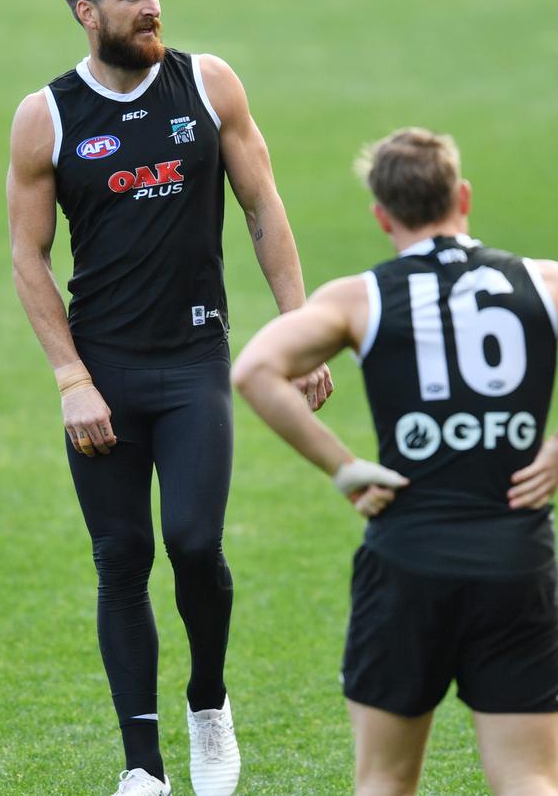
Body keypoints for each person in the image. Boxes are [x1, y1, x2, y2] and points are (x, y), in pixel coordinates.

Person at [7, 0, 334, 795]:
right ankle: (142, 765)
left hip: (193, 359)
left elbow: (263, 207)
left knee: (193, 543)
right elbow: (27, 257)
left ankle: (208, 704)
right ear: (88, 14)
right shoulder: (46, 116)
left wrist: (298, 334)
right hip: (103, 372)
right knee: (121, 557)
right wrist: (72, 379)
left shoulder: (208, 83)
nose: (153, 7)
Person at [232, 127, 558, 796]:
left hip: (407, 558)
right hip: (516, 560)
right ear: (462, 196)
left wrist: (344, 466)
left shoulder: (362, 296)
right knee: (529, 775)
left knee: (384, 778)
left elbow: (256, 369)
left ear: (382, 215)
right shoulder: (544, 281)